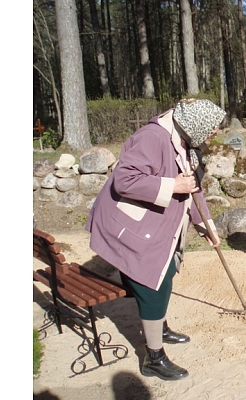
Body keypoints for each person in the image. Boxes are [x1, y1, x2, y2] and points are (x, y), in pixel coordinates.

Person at [85, 98, 226, 381]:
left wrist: (206, 226)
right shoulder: (152, 137)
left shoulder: (188, 143)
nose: (214, 134)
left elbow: (194, 188)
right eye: (212, 129)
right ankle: (153, 357)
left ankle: (157, 325)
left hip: (154, 223)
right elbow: (124, 180)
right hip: (127, 223)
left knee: (168, 268)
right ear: (196, 124)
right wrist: (173, 184)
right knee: (154, 283)